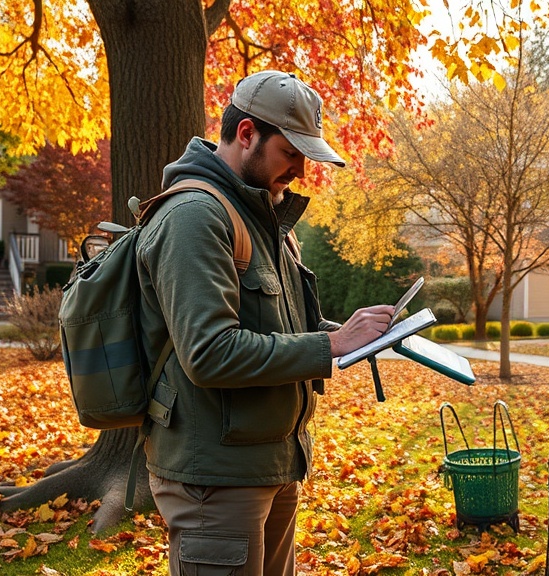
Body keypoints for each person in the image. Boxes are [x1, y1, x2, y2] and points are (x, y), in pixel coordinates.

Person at [135, 70, 394, 575]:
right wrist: (332, 346)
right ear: (248, 133)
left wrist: (354, 332)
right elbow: (210, 352)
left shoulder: (263, 216)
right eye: (290, 152)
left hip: (270, 465)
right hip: (216, 478)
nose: (299, 169)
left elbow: (281, 324)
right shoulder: (195, 215)